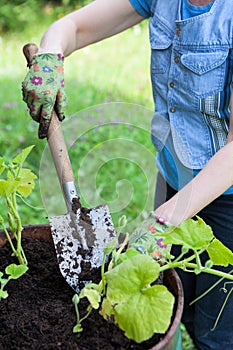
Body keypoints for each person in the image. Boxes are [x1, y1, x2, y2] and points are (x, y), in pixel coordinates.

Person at [22, 0, 233, 349]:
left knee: (218, 332)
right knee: (170, 310)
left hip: (226, 203)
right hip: (172, 181)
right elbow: (72, 27)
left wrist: (164, 221)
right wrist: (50, 55)